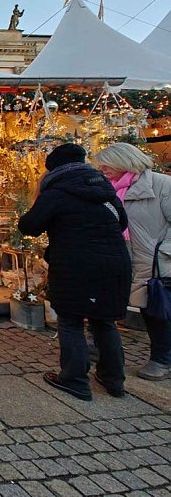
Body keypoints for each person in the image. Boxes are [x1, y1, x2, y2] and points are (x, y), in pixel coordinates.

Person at [18, 143, 131, 400]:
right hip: (114, 265)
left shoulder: (56, 193)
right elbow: (122, 222)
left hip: (75, 265)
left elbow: (29, 226)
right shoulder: (105, 191)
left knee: (71, 321)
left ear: (53, 169)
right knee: (105, 321)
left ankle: (75, 380)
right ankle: (114, 380)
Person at [95, 142, 171, 381]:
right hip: (127, 258)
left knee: (158, 311)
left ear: (124, 161)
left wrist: (164, 251)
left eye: (107, 164)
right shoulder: (109, 189)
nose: (103, 169)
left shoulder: (161, 185)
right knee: (145, 308)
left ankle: (162, 360)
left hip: (157, 261)